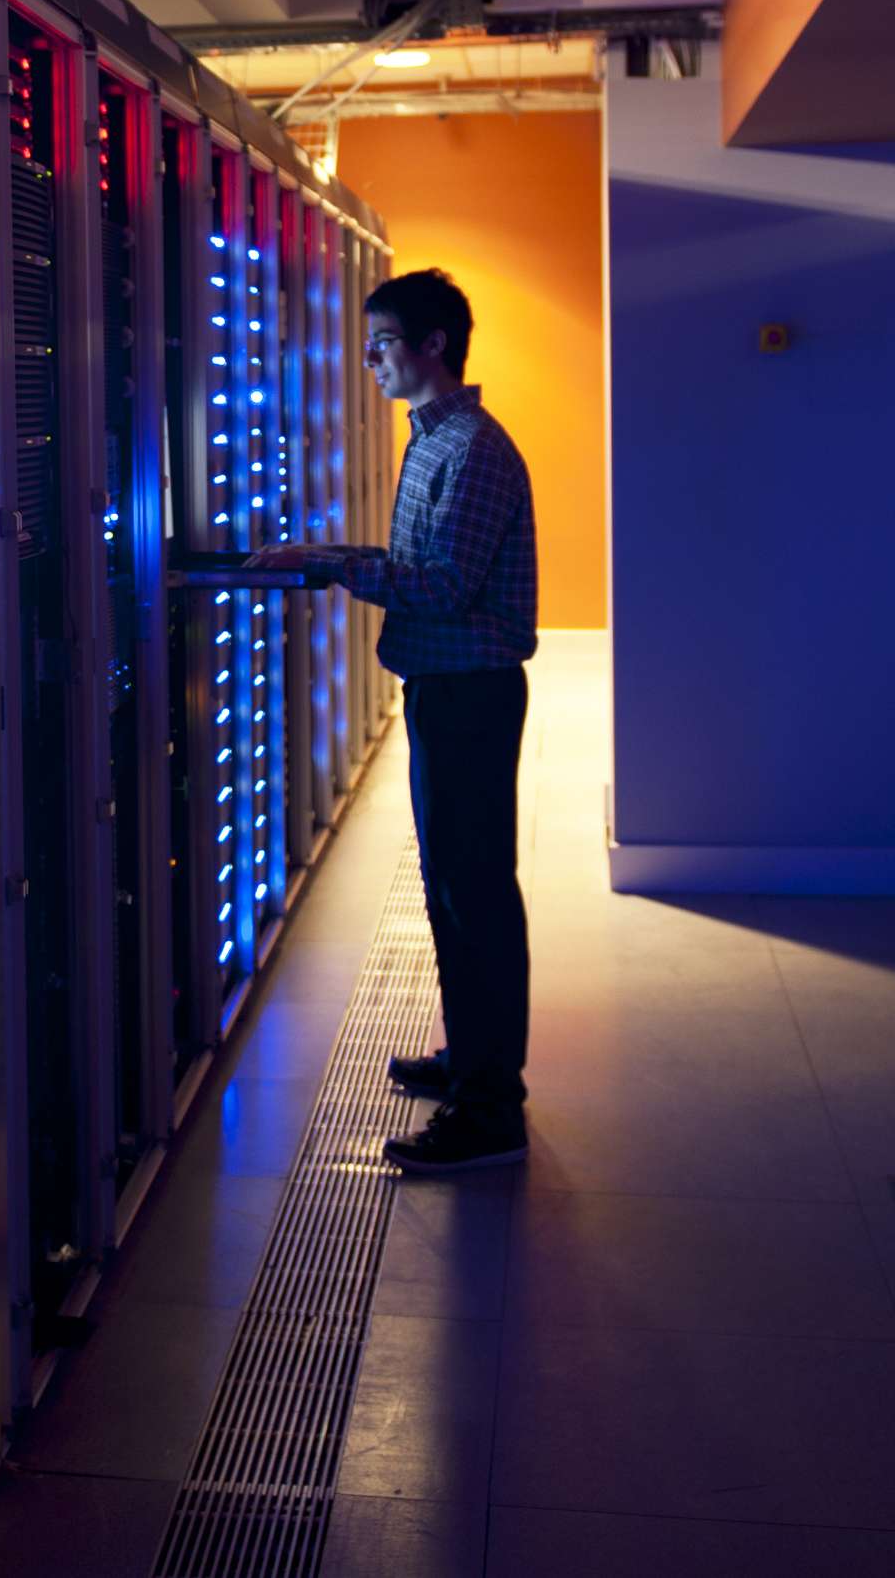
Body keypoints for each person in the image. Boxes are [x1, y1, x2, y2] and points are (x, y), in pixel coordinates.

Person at [250, 266, 536, 1172]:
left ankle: (493, 1109)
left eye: (379, 343)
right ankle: (473, 1059)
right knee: (452, 886)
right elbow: (422, 566)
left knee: (476, 891)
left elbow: (445, 587)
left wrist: (332, 565)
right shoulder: (431, 440)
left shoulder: (473, 451)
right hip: (443, 692)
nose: (367, 359)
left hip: (471, 696)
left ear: (431, 345)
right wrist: (327, 552)